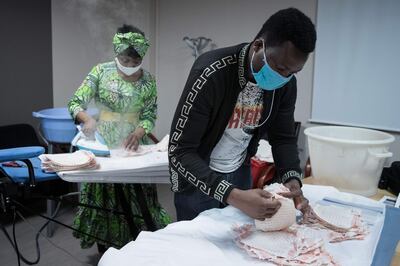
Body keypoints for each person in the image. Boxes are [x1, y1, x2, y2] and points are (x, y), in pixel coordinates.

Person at [168, 8, 316, 221]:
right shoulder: (211, 72)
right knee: (200, 248)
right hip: (199, 177)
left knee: (239, 242)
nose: (284, 77)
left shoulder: (286, 83)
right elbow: (180, 152)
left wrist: (292, 181)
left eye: (293, 72)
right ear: (258, 46)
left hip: (240, 172)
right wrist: (233, 196)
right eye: (280, 68)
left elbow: (283, 138)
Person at [68, 24, 171, 251]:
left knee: (138, 194)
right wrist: (87, 119)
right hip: (105, 143)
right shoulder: (100, 72)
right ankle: (108, 249)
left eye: (135, 62)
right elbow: (75, 103)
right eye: (125, 60)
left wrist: (139, 131)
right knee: (107, 195)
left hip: (134, 143)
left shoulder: (149, 81)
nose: (130, 66)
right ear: (117, 54)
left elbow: (150, 113)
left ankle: (140, 246)